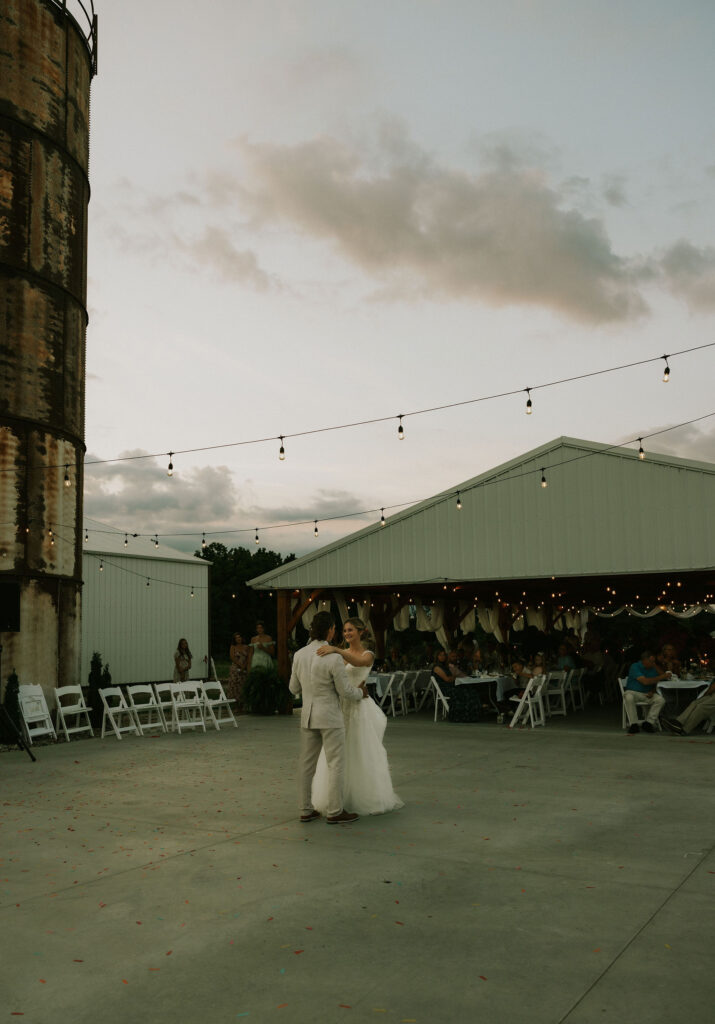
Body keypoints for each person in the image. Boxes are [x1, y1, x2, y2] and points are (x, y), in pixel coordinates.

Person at [313, 617, 403, 816]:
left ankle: (361, 797)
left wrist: (336, 650)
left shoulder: (367, 654)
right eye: (344, 631)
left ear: (361, 632)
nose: (346, 634)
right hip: (341, 706)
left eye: (350, 630)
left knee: (359, 751)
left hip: (358, 708)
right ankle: (336, 798)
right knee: (337, 753)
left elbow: (359, 662)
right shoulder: (341, 655)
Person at [288, 611, 367, 824]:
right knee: (336, 763)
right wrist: (361, 693)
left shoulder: (299, 655)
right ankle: (335, 811)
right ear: (330, 629)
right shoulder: (333, 657)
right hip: (330, 716)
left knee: (306, 764)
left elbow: (293, 687)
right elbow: (345, 692)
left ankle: (305, 809)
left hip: (308, 716)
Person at [624, 650, 668, 734]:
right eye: (651, 661)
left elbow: (664, 677)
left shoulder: (653, 668)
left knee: (660, 700)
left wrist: (652, 690)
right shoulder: (635, 666)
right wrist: (661, 677)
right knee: (628, 697)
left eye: (654, 661)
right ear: (644, 660)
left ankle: (648, 723)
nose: (653, 663)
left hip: (647, 694)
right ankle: (633, 724)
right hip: (633, 692)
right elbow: (645, 681)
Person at [227, 632, 249, 710]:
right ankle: (236, 705)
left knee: (243, 686)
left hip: (244, 668)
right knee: (235, 686)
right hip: (235, 668)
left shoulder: (246, 647)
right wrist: (240, 665)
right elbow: (232, 657)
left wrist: (244, 666)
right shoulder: (233, 647)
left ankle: (242, 705)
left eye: (239, 637)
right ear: (234, 639)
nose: (238, 639)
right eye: (236, 638)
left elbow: (248, 657)